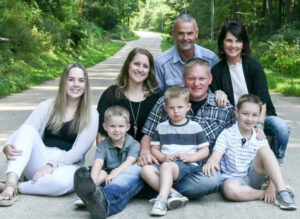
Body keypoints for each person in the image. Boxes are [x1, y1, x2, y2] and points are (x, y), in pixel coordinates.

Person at [73, 58, 235, 218]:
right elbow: (147, 135)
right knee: (137, 169)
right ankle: (104, 200)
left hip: (196, 169)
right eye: (192, 78)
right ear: (184, 79)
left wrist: (215, 158)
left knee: (212, 180)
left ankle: (150, 187)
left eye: (202, 79)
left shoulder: (224, 107)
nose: (196, 83)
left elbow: (230, 139)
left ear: (210, 79)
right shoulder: (166, 101)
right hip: (161, 163)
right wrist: (145, 152)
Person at [0, 63, 98, 206]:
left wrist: (51, 165)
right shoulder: (48, 106)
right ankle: (10, 184)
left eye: (81, 80)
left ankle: (17, 187)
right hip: (40, 157)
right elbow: (25, 131)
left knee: (61, 183)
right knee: (27, 130)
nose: (76, 84)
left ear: (86, 85)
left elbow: (78, 152)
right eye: (71, 79)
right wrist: (7, 146)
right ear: (63, 82)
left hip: (68, 165)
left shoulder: (91, 114)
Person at [210, 21, 289, 167]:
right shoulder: (217, 71)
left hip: (261, 116)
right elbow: (214, 95)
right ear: (222, 43)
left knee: (282, 128)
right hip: (234, 119)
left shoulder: (254, 66)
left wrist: (259, 125)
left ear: (243, 44)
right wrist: (217, 91)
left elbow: (263, 101)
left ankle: (275, 164)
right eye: (229, 40)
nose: (233, 45)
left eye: (238, 41)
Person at [202, 94, 296, 210]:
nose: (249, 119)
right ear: (237, 112)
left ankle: (281, 191)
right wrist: (213, 160)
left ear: (259, 117)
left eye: (254, 115)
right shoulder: (227, 134)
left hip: (255, 175)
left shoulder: (259, 136)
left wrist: (272, 186)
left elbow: (271, 163)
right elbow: (217, 154)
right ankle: (264, 194)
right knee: (229, 190)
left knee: (265, 150)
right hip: (234, 179)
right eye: (245, 114)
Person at [141, 86, 209, 216]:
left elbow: (204, 151)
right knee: (145, 170)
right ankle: (173, 194)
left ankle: (161, 201)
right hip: (166, 164)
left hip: (187, 165)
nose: (176, 111)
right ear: (166, 109)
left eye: (180, 107)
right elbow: (154, 149)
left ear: (188, 107)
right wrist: (162, 157)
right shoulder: (161, 127)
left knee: (166, 166)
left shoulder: (195, 127)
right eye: (171, 108)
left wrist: (190, 157)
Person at [74, 106, 140, 207]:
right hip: (107, 176)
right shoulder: (103, 144)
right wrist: (92, 180)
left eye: (121, 126)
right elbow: (98, 162)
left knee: (123, 179)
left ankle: (99, 197)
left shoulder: (134, 144)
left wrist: (116, 172)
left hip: (125, 174)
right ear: (105, 127)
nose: (117, 130)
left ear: (127, 127)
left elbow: (130, 161)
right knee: (102, 172)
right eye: (112, 126)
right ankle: (88, 193)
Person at [96, 47, 162, 143]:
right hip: (116, 155)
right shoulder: (111, 94)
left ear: (149, 70)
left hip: (148, 156)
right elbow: (101, 136)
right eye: (136, 64)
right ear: (128, 65)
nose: (140, 69)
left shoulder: (157, 97)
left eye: (145, 66)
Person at [155, 14, 218, 91]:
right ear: (173, 34)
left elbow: (216, 91)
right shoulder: (161, 63)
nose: (185, 38)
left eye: (189, 33)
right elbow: (157, 97)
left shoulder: (211, 59)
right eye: (181, 33)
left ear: (196, 33)